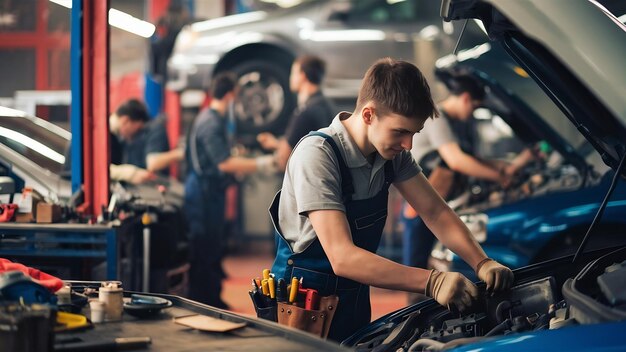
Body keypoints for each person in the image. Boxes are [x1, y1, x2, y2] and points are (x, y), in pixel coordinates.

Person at [270, 58, 513, 341]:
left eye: (414, 133)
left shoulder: (391, 156)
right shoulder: (318, 155)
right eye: (400, 132)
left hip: (354, 297)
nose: (408, 145)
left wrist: (481, 262)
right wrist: (431, 281)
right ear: (369, 115)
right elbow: (342, 257)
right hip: (303, 304)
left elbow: (436, 212)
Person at [402, 76, 511, 274]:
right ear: (466, 99)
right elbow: (456, 160)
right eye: (474, 107)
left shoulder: (459, 123)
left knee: (438, 264)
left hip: (440, 200)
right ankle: (416, 303)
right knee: (417, 268)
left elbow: (473, 158)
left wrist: (503, 166)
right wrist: (499, 176)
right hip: (418, 201)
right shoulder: (437, 116)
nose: (472, 114)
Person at [184, 72, 275, 308]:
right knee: (204, 249)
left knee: (213, 247)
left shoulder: (214, 120)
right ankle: (205, 303)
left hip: (211, 191)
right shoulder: (211, 122)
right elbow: (223, 163)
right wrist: (263, 164)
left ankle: (211, 299)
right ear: (230, 94)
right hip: (202, 194)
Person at [256, 55, 336, 171]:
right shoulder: (327, 105)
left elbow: (283, 161)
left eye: (293, 73)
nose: (291, 78)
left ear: (302, 76)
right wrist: (276, 144)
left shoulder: (305, 112)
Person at [113, 99, 184, 176]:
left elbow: (153, 163)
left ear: (126, 120)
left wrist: (179, 153)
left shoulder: (154, 130)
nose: (120, 129)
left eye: (122, 124)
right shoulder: (124, 137)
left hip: (153, 183)